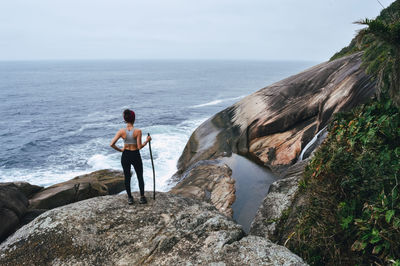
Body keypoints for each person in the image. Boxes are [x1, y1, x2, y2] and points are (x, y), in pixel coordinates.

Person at [110, 109, 151, 205]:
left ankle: (130, 198)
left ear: (125, 119)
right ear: (134, 119)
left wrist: (121, 150)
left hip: (125, 155)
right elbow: (139, 147)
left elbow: (112, 144)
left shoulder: (121, 131)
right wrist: (147, 141)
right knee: (140, 176)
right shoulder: (138, 131)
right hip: (135, 155)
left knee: (127, 177)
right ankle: (142, 197)